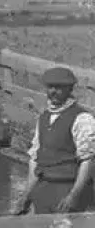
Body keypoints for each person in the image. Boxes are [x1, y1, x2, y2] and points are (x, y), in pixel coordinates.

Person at [11, 66, 95, 216]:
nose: (53, 91)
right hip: (44, 189)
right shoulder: (43, 118)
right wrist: (27, 194)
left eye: (59, 87)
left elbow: (87, 161)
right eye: (50, 87)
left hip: (67, 188)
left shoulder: (82, 118)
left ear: (70, 89)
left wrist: (74, 196)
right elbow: (35, 159)